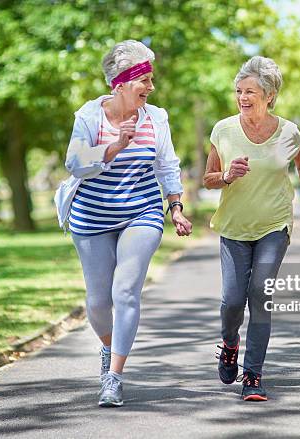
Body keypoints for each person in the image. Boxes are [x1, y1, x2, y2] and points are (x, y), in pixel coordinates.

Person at [55, 40, 192, 408]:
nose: (150, 87)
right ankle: (107, 346)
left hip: (141, 212)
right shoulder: (89, 116)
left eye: (151, 79)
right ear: (119, 82)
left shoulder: (156, 118)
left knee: (125, 291)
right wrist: (114, 145)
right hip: (92, 216)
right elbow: (74, 163)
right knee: (99, 301)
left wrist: (175, 205)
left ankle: (113, 376)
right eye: (143, 79)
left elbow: (166, 164)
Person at [203, 56, 300, 401]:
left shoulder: (287, 132)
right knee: (232, 300)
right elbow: (208, 179)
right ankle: (229, 343)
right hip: (234, 227)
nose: (242, 97)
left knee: (260, 294)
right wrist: (225, 176)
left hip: (273, 224)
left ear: (269, 95)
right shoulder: (223, 131)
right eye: (239, 91)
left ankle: (253, 376)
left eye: (250, 91)